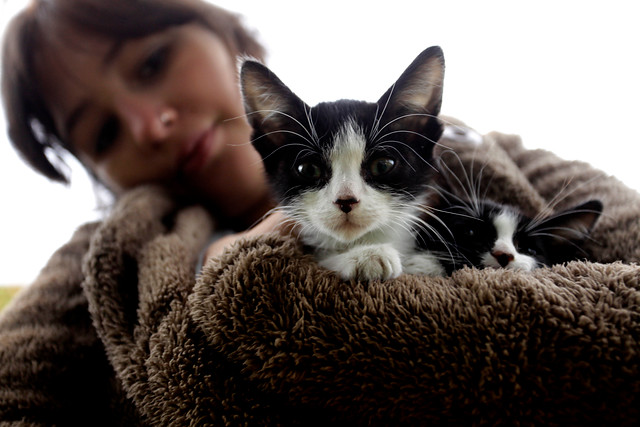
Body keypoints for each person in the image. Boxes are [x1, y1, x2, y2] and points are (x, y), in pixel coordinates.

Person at [0, 0, 282, 423]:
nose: (148, 126)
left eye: (152, 63)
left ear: (227, 36)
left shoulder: (407, 154)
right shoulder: (102, 262)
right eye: (105, 133)